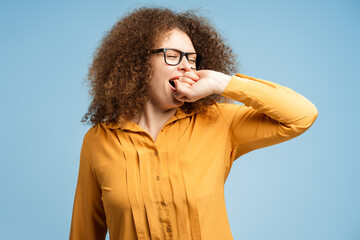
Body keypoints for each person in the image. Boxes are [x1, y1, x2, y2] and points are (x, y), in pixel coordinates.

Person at [69, 7, 318, 240]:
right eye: (173, 56)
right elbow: (84, 233)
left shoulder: (219, 121)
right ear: (138, 63)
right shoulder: (98, 140)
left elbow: (301, 115)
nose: (187, 66)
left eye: (191, 58)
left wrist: (222, 83)